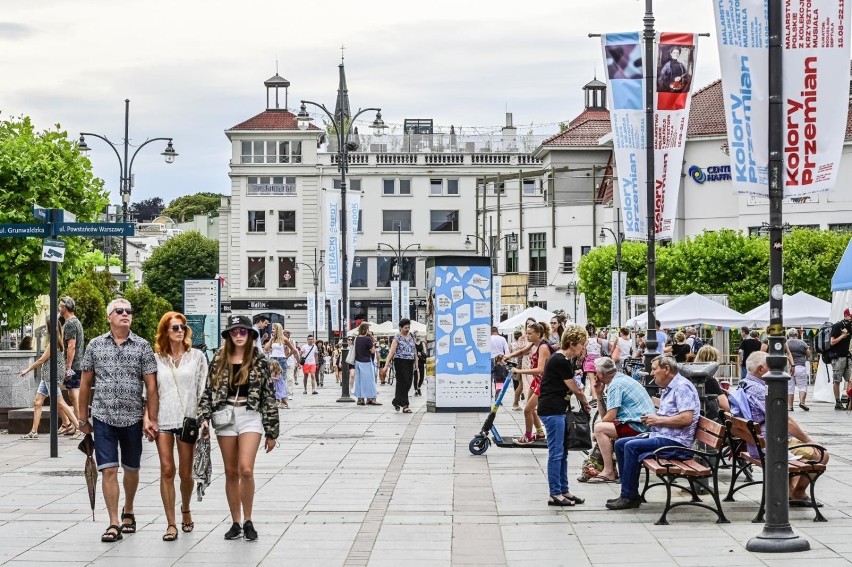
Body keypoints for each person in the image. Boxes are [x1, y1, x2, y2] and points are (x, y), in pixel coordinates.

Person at [76, 299, 159, 542]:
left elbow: (152, 387)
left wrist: (150, 419)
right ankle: (113, 522)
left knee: (131, 469)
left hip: (133, 417)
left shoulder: (142, 346)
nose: (125, 314)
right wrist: (82, 418)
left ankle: (129, 510)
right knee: (109, 470)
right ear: (109, 317)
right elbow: (85, 383)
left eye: (128, 311)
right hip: (103, 417)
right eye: (119, 311)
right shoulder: (95, 345)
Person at [198, 315, 279, 542]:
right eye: (234, 332)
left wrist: (272, 432)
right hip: (224, 417)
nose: (239, 335)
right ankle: (235, 521)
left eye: (243, 331)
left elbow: (268, 396)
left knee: (246, 469)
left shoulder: (259, 360)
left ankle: (248, 520)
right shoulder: (218, 358)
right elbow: (208, 391)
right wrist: (203, 417)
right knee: (231, 471)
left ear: (250, 334)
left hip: (250, 416)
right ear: (229, 335)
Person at [733, 351, 830, 505]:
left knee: (801, 454)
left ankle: (790, 491)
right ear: (760, 369)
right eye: (772, 367)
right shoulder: (762, 390)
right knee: (822, 455)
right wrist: (808, 440)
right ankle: (798, 493)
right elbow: (785, 421)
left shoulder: (744, 384)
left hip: (757, 443)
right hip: (772, 444)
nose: (777, 371)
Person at [607, 355, 700, 511]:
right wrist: (654, 419)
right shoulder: (669, 387)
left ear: (667, 369)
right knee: (620, 444)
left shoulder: (682, 387)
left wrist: (657, 421)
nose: (651, 373)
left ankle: (629, 496)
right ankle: (628, 492)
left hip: (677, 442)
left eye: (655, 369)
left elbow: (686, 418)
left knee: (631, 446)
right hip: (663, 436)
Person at [150, 312, 208, 541]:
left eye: (182, 327)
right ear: (165, 331)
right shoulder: (156, 359)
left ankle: (185, 508)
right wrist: (149, 417)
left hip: (188, 421)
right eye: (175, 327)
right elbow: (151, 392)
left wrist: (204, 418)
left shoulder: (197, 357)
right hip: (163, 418)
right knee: (166, 470)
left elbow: (203, 389)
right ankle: (171, 523)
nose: (180, 331)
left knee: (185, 473)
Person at [538, 325, 590, 506]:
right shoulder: (560, 360)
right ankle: (555, 493)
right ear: (572, 343)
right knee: (556, 453)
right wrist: (584, 402)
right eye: (581, 344)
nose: (583, 348)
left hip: (558, 409)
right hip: (552, 410)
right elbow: (574, 388)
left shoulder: (563, 360)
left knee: (563, 452)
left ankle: (564, 490)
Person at [590, 357, 655, 483]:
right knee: (601, 427)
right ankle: (610, 469)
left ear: (601, 374)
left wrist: (597, 430)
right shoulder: (620, 379)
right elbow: (607, 417)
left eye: (596, 373)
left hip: (639, 426)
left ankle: (608, 471)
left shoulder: (616, 385)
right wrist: (599, 394)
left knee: (599, 428)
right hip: (640, 422)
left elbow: (610, 417)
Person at [19, 317, 78, 439]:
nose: (45, 328)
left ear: (50, 328)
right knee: (37, 402)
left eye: (46, 326)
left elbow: (41, 360)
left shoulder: (53, 343)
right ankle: (34, 431)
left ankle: (79, 428)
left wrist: (27, 370)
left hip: (50, 377)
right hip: (46, 377)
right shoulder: (56, 340)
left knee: (61, 403)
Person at [509, 322, 552, 445]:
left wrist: (519, 370)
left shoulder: (543, 347)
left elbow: (540, 369)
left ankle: (528, 436)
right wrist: (508, 356)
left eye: (530, 333)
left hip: (544, 382)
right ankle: (539, 433)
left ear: (538, 334)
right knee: (530, 408)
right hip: (537, 380)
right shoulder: (534, 343)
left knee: (527, 410)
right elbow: (522, 351)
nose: (527, 336)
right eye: (526, 333)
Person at [382, 318, 417, 413]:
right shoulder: (397, 337)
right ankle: (406, 405)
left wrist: (416, 362)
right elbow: (391, 352)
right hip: (400, 361)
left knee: (408, 383)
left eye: (409, 327)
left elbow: (414, 350)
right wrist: (386, 365)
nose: (407, 329)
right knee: (403, 382)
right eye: (406, 327)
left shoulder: (411, 336)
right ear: (401, 328)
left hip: (410, 361)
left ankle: (396, 401)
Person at [60, 296, 84, 430]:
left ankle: (78, 426)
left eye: (60, 306)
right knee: (72, 395)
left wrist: (68, 367)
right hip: (78, 364)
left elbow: (71, 346)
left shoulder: (70, 323)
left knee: (74, 396)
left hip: (74, 365)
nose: (59, 308)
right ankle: (73, 424)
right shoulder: (76, 322)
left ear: (64, 308)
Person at [264, 324, 297, 408]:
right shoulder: (273, 339)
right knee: (272, 380)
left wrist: (286, 357)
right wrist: (271, 338)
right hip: (272, 360)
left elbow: (293, 349)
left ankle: (283, 401)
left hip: (281, 360)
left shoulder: (284, 339)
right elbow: (266, 348)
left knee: (281, 381)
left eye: (274, 329)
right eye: (272, 329)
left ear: (278, 330)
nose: (272, 330)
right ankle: (277, 400)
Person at [828, 308, 852, 410]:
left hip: (847, 357)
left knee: (850, 379)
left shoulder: (850, 326)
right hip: (837, 357)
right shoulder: (838, 326)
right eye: (850, 315)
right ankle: (838, 402)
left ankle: (850, 402)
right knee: (837, 380)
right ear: (846, 315)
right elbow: (832, 342)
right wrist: (842, 335)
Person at [353, 322, 381, 405]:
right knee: (370, 381)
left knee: (359, 381)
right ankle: (372, 398)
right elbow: (373, 351)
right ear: (366, 330)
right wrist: (372, 340)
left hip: (358, 361)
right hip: (366, 362)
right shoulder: (367, 339)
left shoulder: (356, 338)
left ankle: (360, 399)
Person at [785, 328, 811, 412]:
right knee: (802, 386)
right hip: (800, 366)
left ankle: (790, 406)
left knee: (790, 387)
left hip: (789, 368)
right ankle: (802, 402)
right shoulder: (802, 342)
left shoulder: (786, 343)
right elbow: (809, 354)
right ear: (797, 334)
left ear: (788, 335)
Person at [583, 323, 605, 406]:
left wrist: (580, 359)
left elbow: (584, 353)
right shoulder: (598, 340)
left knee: (592, 380)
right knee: (599, 379)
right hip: (598, 361)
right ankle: (599, 396)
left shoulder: (586, 341)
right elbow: (604, 349)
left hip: (589, 361)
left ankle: (594, 398)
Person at [414, 332, 426, 396]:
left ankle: (419, 387)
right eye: (417, 336)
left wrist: (421, 354)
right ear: (415, 336)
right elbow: (413, 352)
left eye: (419, 336)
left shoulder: (422, 343)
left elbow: (425, 352)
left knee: (422, 376)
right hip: (414, 361)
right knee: (415, 376)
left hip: (421, 361)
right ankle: (416, 390)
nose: (419, 337)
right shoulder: (413, 344)